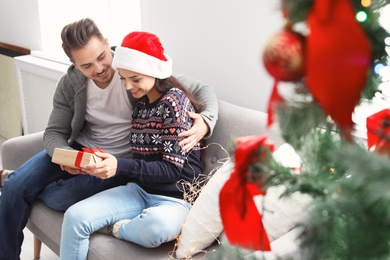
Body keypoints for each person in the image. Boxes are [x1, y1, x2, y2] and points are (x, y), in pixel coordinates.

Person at [0, 18, 218, 259]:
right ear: (73, 65)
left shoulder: (135, 68)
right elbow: (54, 132)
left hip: (116, 161)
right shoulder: (71, 83)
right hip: (81, 148)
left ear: (107, 43)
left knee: (60, 197)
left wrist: (206, 121)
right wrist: (67, 155)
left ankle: (25, 183)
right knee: (14, 187)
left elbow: (200, 90)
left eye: (102, 56)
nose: (99, 68)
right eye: (87, 65)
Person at [60, 31, 204, 259]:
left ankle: (117, 228)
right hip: (139, 191)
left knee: (157, 227)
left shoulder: (174, 102)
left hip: (176, 200)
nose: (128, 87)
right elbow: (140, 163)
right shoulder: (140, 107)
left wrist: (119, 166)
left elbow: (170, 171)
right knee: (74, 216)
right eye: (124, 79)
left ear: (154, 71)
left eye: (135, 79)